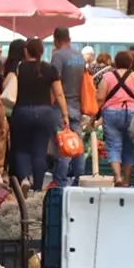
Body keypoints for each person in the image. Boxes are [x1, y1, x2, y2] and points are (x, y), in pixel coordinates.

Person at [11, 37, 70, 191]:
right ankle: (37, 188)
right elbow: (59, 94)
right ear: (42, 51)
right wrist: (64, 114)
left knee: (22, 148)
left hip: (22, 111)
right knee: (40, 150)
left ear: (26, 51)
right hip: (45, 113)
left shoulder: (19, 68)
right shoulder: (50, 69)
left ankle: (24, 178)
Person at [97, 50, 134, 187]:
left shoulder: (107, 76)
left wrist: (94, 117)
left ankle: (117, 176)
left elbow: (100, 98)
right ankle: (126, 180)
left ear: (115, 62)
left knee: (113, 145)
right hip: (132, 112)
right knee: (129, 147)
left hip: (111, 113)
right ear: (131, 63)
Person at [51, 26, 88, 187]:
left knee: (64, 146)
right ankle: (79, 179)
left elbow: (55, 84)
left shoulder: (57, 56)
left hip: (61, 107)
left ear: (56, 40)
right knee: (78, 146)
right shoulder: (79, 56)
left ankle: (60, 183)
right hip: (76, 105)